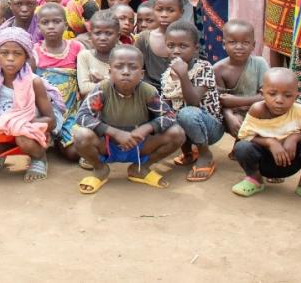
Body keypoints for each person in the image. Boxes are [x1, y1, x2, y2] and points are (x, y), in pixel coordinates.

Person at [72, 45, 183, 193]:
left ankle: (141, 168)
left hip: (140, 143)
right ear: (110, 72)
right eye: (119, 67)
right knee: (81, 136)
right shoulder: (102, 89)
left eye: (132, 67)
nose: (125, 72)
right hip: (108, 144)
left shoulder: (148, 91)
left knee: (177, 133)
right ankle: (100, 169)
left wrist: (146, 128)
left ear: (142, 74)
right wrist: (115, 133)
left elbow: (169, 115)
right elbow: (82, 116)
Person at [0, 27, 57, 182]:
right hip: (0, 131)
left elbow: (51, 121)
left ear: (26, 56)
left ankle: (39, 157)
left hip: (28, 132)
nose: (10, 58)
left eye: (17, 54)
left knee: (22, 137)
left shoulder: (33, 82)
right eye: (4, 53)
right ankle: (3, 153)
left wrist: (20, 124)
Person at [231, 67, 301, 203]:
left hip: (290, 160)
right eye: (272, 94)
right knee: (242, 147)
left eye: (287, 96)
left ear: (296, 97)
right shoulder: (257, 110)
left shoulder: (300, 111)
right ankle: (255, 179)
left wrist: (294, 138)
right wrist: (271, 142)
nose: (279, 100)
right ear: (262, 93)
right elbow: (245, 136)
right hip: (263, 162)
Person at [160, 21, 222, 181]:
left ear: (195, 48)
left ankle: (205, 155)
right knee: (167, 114)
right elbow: (166, 104)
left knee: (186, 113)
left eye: (183, 46)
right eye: (171, 46)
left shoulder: (204, 67)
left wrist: (183, 75)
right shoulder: (167, 74)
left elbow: (193, 101)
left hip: (210, 127)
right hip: (185, 127)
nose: (176, 51)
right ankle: (188, 152)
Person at [32, 3, 82, 161]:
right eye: (45, 23)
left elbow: (83, 79)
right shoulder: (34, 52)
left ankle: (60, 141)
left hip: (71, 112)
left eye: (57, 21)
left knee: (74, 154)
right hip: (46, 112)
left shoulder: (77, 47)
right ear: (38, 26)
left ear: (66, 25)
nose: (51, 26)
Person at [135, 0, 184, 87]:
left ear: (181, 12)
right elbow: (136, 68)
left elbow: (192, 71)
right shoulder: (143, 38)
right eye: (159, 10)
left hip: (180, 90)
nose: (164, 15)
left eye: (171, 10)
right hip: (149, 92)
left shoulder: (187, 37)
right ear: (154, 11)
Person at [77, 10, 118, 96]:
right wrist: (111, 82)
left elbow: (127, 86)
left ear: (118, 36)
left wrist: (102, 80)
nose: (103, 38)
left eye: (108, 33)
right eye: (97, 33)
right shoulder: (85, 56)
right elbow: (84, 88)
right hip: (92, 107)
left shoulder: (123, 57)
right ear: (90, 35)